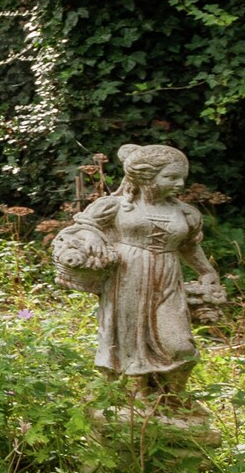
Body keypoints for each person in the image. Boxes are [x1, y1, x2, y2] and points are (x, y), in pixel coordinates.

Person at [52, 142, 224, 410]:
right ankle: (135, 396)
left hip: (167, 278)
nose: (179, 184)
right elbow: (83, 227)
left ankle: (174, 397)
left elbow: (189, 246)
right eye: (171, 177)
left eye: (182, 178)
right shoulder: (115, 206)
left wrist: (207, 271)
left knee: (181, 346)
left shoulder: (185, 212)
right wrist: (93, 237)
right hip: (127, 276)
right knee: (129, 338)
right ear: (145, 177)